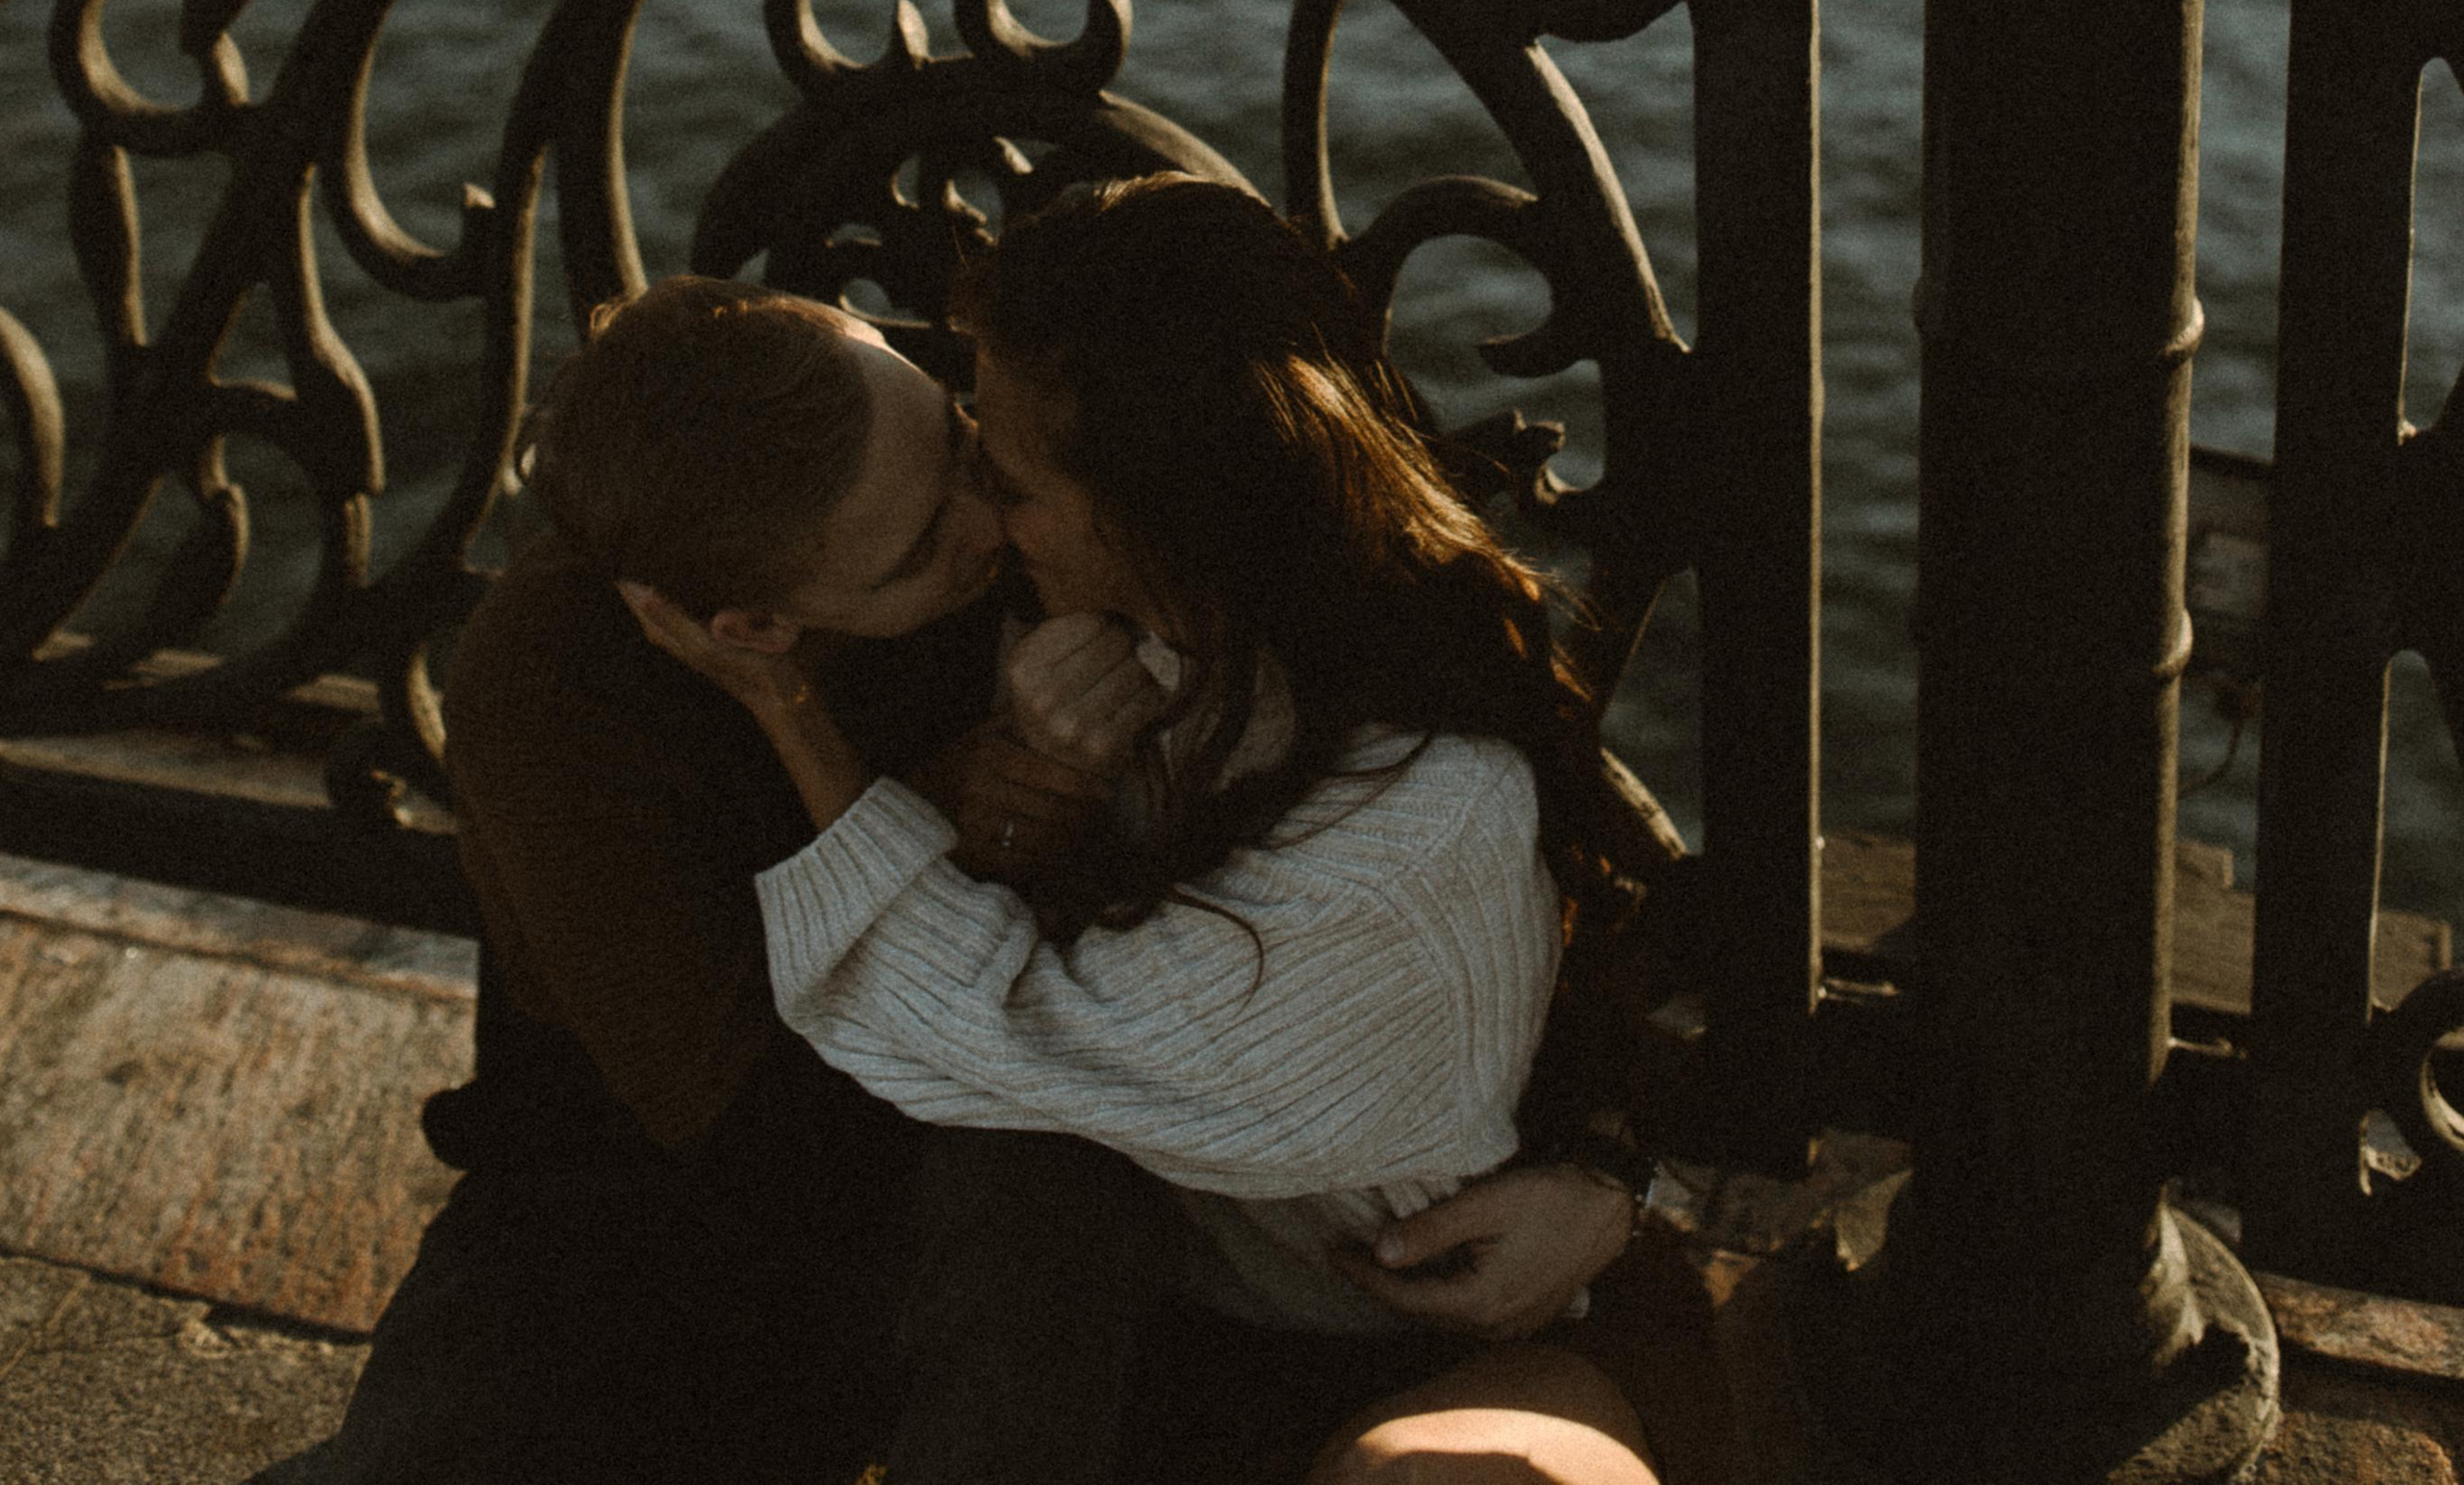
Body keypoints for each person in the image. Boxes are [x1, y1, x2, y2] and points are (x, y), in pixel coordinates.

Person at [262, 255, 1661, 1485]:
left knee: (1042, 1219)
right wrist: (943, 820)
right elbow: (769, 1137)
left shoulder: (1028, 467)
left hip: (1075, 1164)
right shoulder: (560, 686)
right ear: (756, 627)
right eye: (928, 546)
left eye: (962, 444)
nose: (992, 524)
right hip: (648, 1186)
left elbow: (1525, 813)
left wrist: (1607, 1165)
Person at [627, 177, 1732, 1485]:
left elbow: (998, 1026)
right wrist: (1033, 786)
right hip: (1189, 1295)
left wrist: (787, 708)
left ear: (1156, 511)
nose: (976, 520)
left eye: (1004, 478)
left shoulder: (1408, 819)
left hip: (1430, 1338)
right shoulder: (1164, 637)